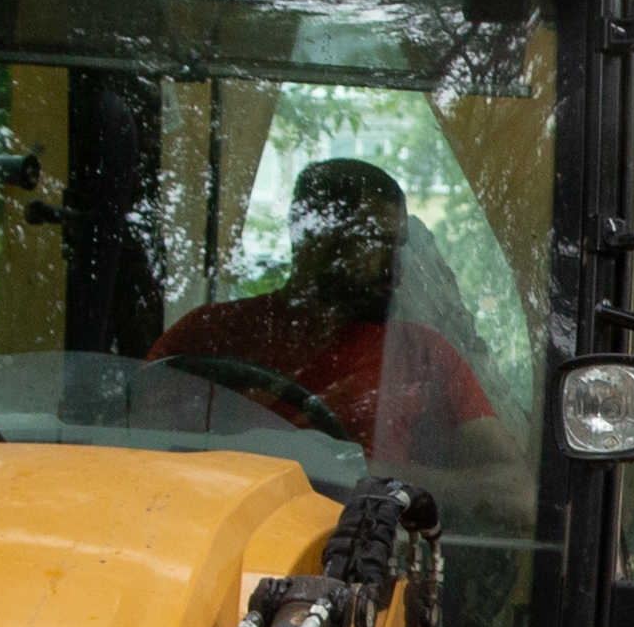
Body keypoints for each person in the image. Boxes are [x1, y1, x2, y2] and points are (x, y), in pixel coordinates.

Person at [160, 159, 510, 465]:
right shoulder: (208, 335)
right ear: (314, 241)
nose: (396, 270)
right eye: (375, 243)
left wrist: (373, 478)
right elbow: (137, 444)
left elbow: (514, 492)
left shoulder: (424, 356)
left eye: (397, 246)